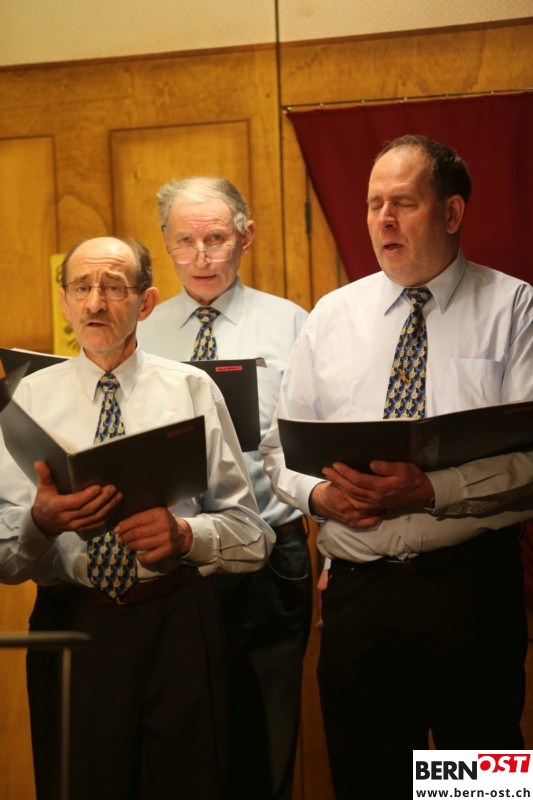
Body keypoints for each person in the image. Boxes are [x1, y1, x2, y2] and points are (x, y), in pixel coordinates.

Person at [260, 135, 533, 799]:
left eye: (403, 203)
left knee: (479, 784)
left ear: (451, 213)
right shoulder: (333, 316)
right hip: (359, 599)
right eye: (373, 203)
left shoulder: (514, 308)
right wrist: (320, 497)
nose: (383, 218)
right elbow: (278, 450)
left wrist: (432, 490)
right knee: (370, 781)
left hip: (470, 591)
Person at [0, 236, 275, 800]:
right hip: (72, 625)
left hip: (176, 622)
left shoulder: (191, 388)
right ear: (64, 301)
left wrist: (186, 535)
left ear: (145, 303)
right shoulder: (26, 399)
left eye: (113, 288)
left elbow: (253, 534)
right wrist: (40, 524)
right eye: (81, 288)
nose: (95, 303)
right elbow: (4, 560)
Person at [137, 177, 312, 800]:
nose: (201, 256)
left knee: (266, 732)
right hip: (175, 558)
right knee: (184, 737)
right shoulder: (142, 330)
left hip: (270, 553)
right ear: (165, 244)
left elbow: (314, 442)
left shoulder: (293, 324)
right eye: (184, 242)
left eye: (215, 238)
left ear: (246, 236)